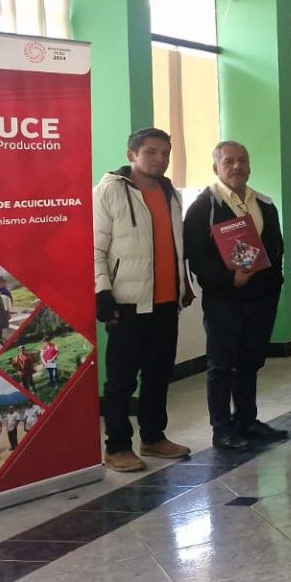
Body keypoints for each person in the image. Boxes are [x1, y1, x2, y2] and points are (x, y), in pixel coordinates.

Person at [93, 127, 193, 473]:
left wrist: (183, 282)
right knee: (121, 380)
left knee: (158, 374)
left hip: (166, 302)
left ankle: (153, 437)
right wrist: (102, 292)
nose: (160, 159)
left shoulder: (170, 192)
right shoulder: (109, 191)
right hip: (127, 303)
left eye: (165, 153)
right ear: (131, 155)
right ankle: (117, 446)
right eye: (151, 152)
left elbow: (175, 244)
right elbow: (95, 248)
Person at [183, 140, 288, 452]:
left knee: (251, 362)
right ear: (216, 167)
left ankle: (246, 420)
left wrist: (273, 285)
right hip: (224, 301)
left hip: (262, 299)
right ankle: (222, 429)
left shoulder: (264, 203)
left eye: (242, 160)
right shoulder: (204, 207)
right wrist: (230, 279)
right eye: (229, 161)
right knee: (221, 366)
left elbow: (276, 248)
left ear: (250, 165)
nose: (237, 166)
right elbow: (196, 257)